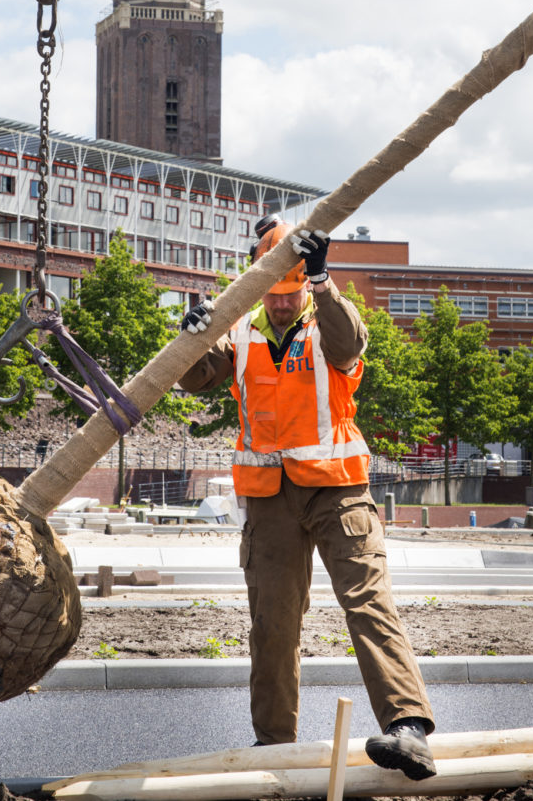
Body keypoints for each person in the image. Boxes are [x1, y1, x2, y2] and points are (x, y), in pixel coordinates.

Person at [178, 218, 436, 782]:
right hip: (268, 499)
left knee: (368, 602)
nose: (279, 303)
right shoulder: (241, 332)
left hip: (336, 491)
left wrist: (323, 283)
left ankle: (408, 729)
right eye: (272, 294)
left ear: (303, 283)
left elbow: (349, 348)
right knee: (272, 623)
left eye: (289, 292)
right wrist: (191, 334)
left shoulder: (328, 322)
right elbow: (194, 376)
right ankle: (273, 747)